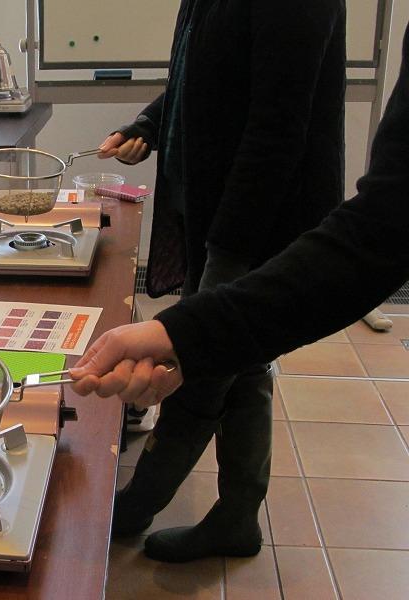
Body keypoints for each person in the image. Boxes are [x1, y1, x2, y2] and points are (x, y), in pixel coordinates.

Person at [74, 17, 409, 563]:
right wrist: (151, 124)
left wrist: (227, 250)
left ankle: (138, 503)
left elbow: (277, 130)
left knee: (206, 365)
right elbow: (201, 77)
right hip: (219, 206)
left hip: (258, 217)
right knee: (243, 358)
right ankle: (237, 517)